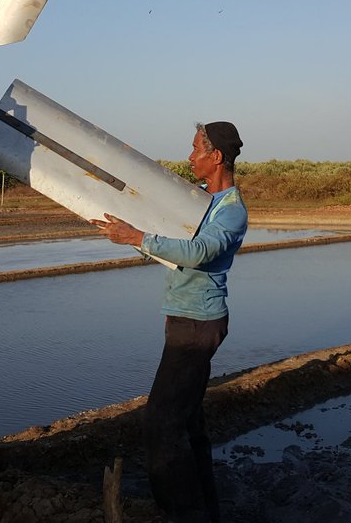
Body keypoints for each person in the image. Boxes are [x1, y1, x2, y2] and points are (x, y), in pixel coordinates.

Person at [92, 121, 247, 523]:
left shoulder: (231, 211)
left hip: (198, 326)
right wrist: (125, 231)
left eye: (196, 150)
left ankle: (179, 512)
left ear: (216, 157)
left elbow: (198, 251)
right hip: (183, 319)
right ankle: (204, 507)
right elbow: (171, 244)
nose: (190, 157)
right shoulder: (199, 201)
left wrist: (137, 238)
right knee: (189, 422)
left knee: (160, 423)